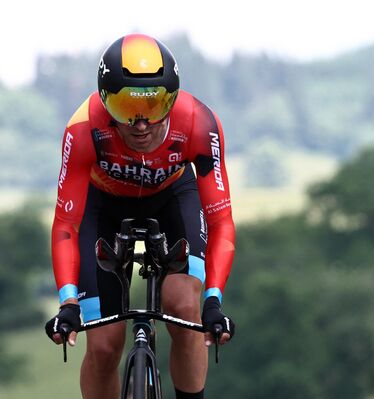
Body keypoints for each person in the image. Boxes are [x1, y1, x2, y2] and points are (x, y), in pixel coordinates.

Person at [44, 33, 236, 399]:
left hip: (173, 200)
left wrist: (213, 300)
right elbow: (66, 224)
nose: (141, 124)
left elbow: (221, 222)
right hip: (104, 209)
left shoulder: (199, 122)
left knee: (184, 309)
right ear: (104, 101)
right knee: (103, 347)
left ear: (173, 98)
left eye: (154, 107)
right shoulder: (84, 128)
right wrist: (68, 302)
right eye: (124, 108)